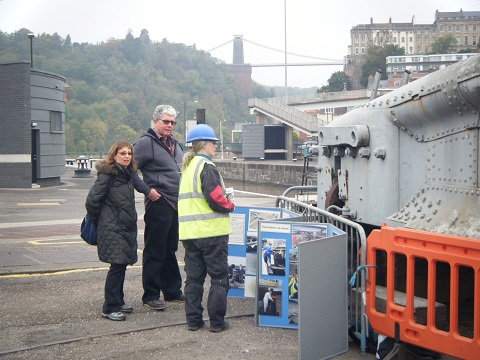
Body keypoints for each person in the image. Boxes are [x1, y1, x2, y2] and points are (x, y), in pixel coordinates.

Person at [85, 141, 161, 321]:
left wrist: (155, 194)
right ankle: (109, 307)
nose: (127, 156)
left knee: (121, 264)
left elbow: (141, 185)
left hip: (124, 227)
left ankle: (118, 301)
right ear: (114, 155)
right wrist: (100, 219)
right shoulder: (108, 175)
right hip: (112, 227)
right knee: (117, 266)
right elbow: (91, 201)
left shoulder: (127, 173)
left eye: (129, 153)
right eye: (122, 153)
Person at [178, 124, 235, 332]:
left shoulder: (188, 167)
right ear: (204, 144)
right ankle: (217, 323)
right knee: (219, 278)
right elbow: (215, 198)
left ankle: (193, 321)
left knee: (193, 280)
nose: (215, 146)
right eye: (213, 142)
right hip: (212, 233)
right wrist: (230, 204)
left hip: (190, 234)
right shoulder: (207, 167)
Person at [134, 104, 185, 311]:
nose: (170, 125)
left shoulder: (175, 144)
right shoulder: (146, 144)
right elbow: (128, 169)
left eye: (172, 122)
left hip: (176, 204)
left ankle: (172, 290)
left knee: (170, 249)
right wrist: (147, 190)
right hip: (159, 203)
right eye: (166, 121)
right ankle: (151, 294)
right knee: (155, 250)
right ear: (155, 122)